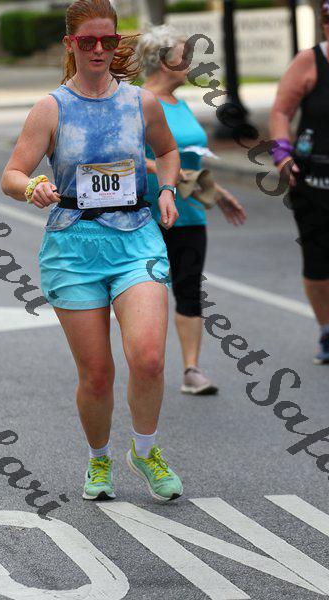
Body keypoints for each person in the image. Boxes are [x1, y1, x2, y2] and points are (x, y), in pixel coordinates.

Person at [1, 0, 184, 502]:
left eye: (108, 40)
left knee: (149, 357)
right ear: (71, 45)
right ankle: (99, 458)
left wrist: (167, 190)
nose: (99, 49)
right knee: (97, 374)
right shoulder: (51, 108)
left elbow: (168, 151)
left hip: (136, 240)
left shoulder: (141, 103)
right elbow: (12, 174)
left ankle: (145, 451)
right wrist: (31, 187)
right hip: (73, 248)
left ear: (117, 42)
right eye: (88, 41)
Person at [136, 25, 246, 395]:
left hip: (190, 212)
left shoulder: (178, 103)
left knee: (189, 289)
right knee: (146, 294)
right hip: (147, 215)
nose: (191, 63)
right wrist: (165, 171)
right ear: (162, 61)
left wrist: (217, 192)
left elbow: (188, 161)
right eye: (184, 56)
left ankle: (191, 370)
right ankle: (146, 366)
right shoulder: (138, 102)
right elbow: (129, 157)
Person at [270, 0, 329, 365]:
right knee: (318, 264)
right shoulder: (310, 61)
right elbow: (280, 111)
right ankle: (326, 330)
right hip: (314, 182)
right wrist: (282, 153)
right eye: (328, 19)